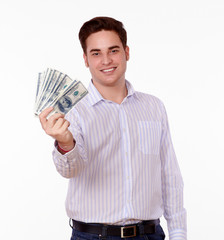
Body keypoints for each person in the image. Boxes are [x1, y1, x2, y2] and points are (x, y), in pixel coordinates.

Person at [39, 16, 187, 240]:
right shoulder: (73, 111)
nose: (106, 60)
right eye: (96, 53)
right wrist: (66, 143)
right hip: (93, 236)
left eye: (113, 50)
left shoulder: (153, 107)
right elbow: (71, 170)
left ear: (127, 52)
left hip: (149, 234)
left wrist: (178, 234)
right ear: (86, 59)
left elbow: (169, 175)